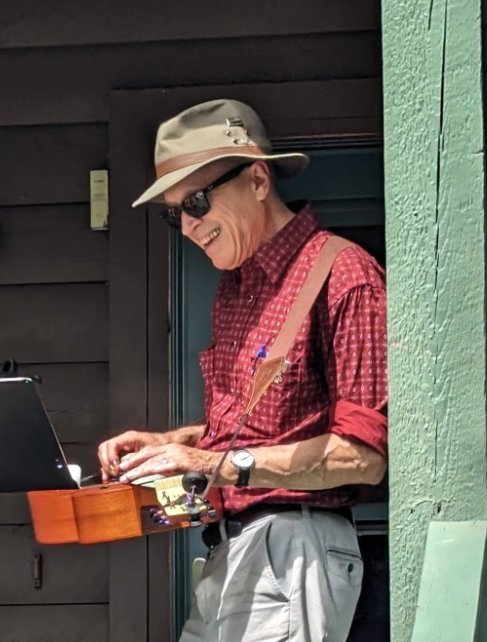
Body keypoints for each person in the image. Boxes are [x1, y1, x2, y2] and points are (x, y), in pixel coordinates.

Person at [98, 100, 388, 642]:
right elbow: (262, 431)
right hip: (230, 553)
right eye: (174, 213)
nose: (187, 226)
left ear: (257, 178)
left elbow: (364, 456)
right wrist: (170, 444)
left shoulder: (343, 273)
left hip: (293, 551)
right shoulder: (233, 291)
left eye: (198, 201)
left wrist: (212, 462)